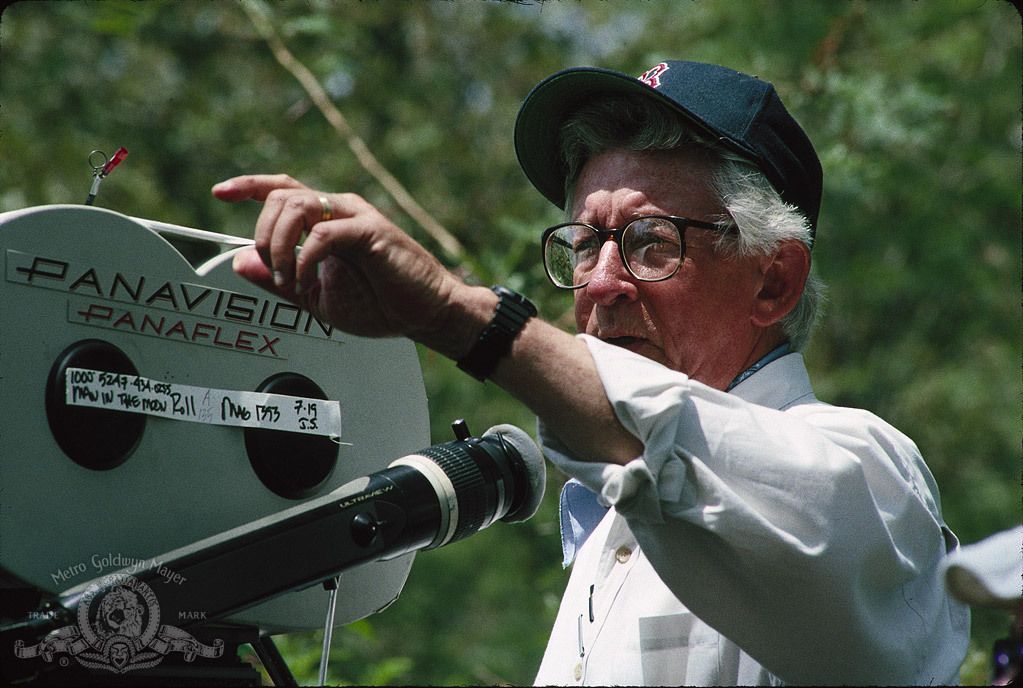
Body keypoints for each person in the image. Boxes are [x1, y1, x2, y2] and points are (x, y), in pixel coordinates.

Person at [212, 60, 970, 685]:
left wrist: (453, 312)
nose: (601, 283)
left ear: (773, 281)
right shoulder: (611, 519)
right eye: (583, 242)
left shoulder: (868, 473)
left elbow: (678, 443)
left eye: (648, 241)